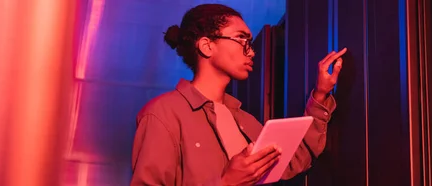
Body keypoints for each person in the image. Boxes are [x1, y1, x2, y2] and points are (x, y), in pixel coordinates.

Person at [130, 3, 346, 186]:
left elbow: (292, 160)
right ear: (207, 46)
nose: (251, 51)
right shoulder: (163, 114)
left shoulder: (246, 121)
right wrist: (226, 182)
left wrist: (319, 95)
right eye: (241, 40)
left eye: (250, 43)